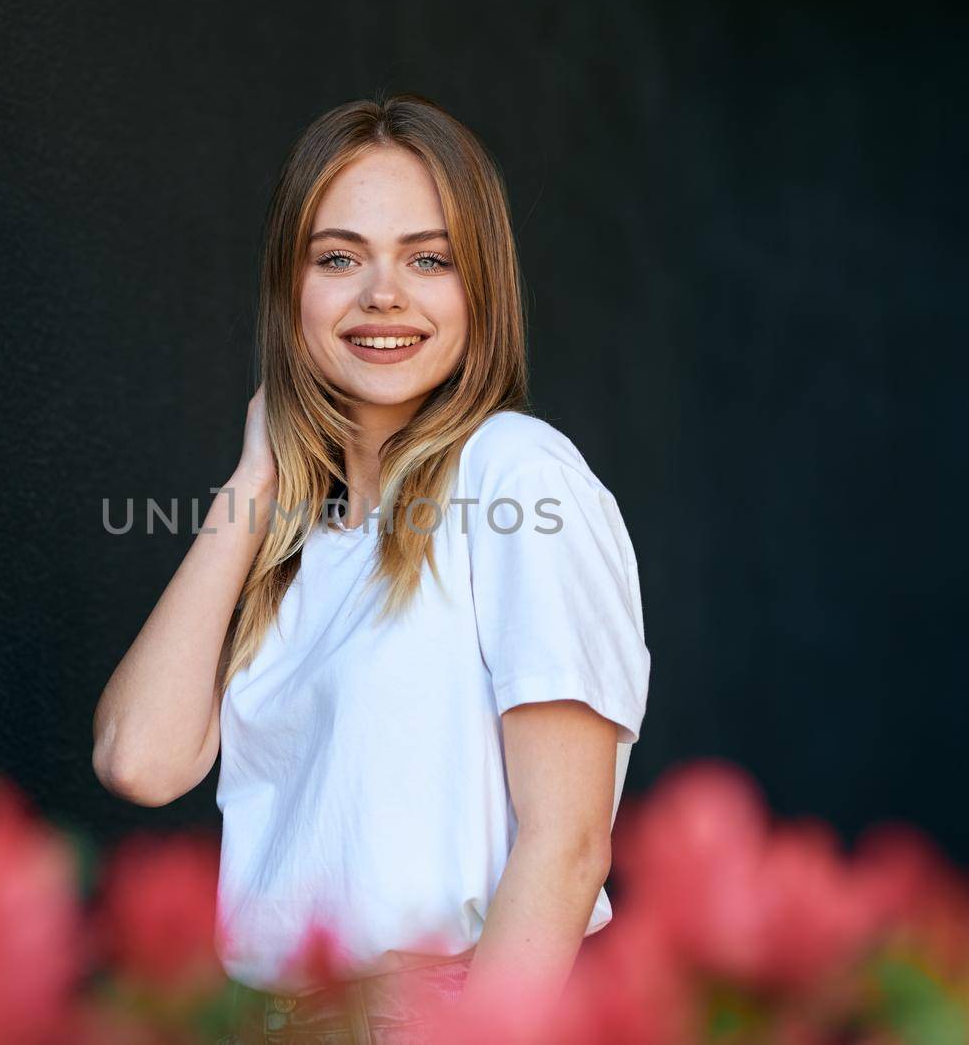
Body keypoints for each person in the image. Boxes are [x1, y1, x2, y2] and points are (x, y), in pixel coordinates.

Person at [92, 92, 651, 1044]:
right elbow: (136, 759)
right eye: (339, 257)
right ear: (291, 291)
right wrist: (255, 478)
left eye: (428, 259)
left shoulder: (516, 473)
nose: (382, 294)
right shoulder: (298, 540)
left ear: (480, 288)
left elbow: (567, 846)